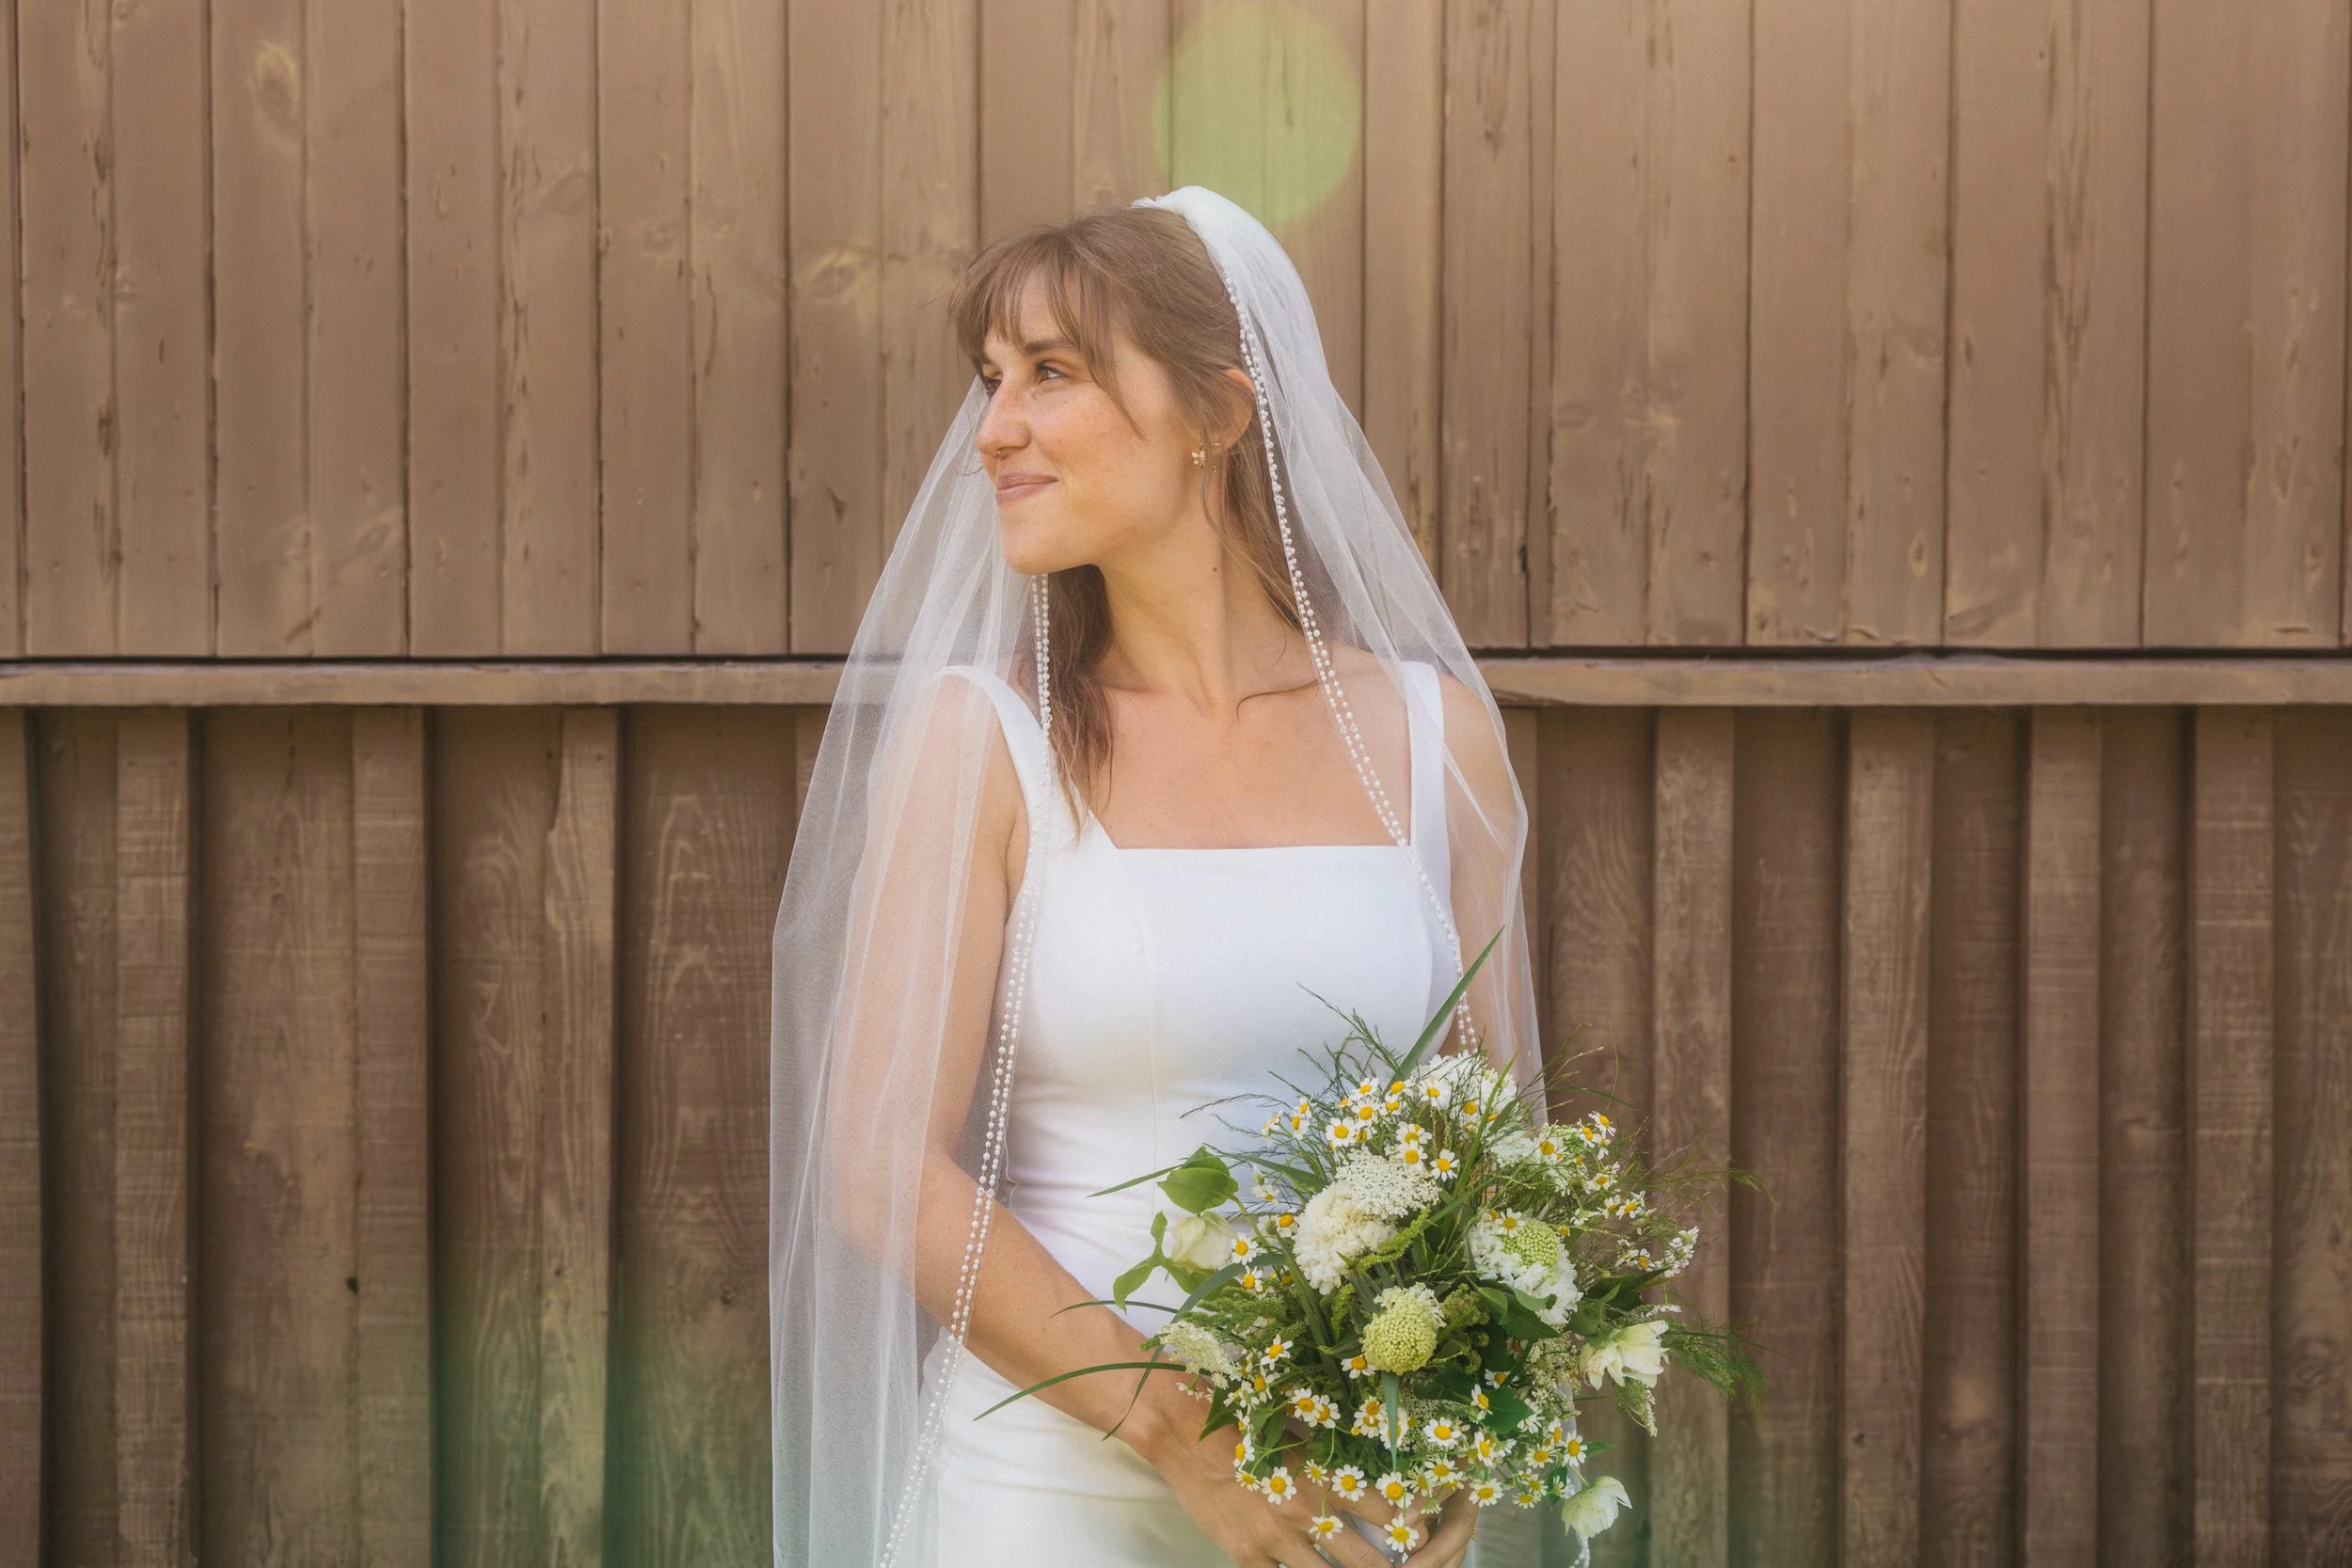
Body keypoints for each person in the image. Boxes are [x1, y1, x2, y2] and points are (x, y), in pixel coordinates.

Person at [770, 188, 1546, 1568]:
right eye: (991, 379)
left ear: (1220, 413)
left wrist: (1460, 1427)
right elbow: (883, 1171)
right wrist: (1186, 1438)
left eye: (1052, 375)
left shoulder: (1435, 744)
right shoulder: (985, 744)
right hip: (1053, 1503)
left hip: (1349, 1514)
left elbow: (1499, 1153)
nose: (993, 428)